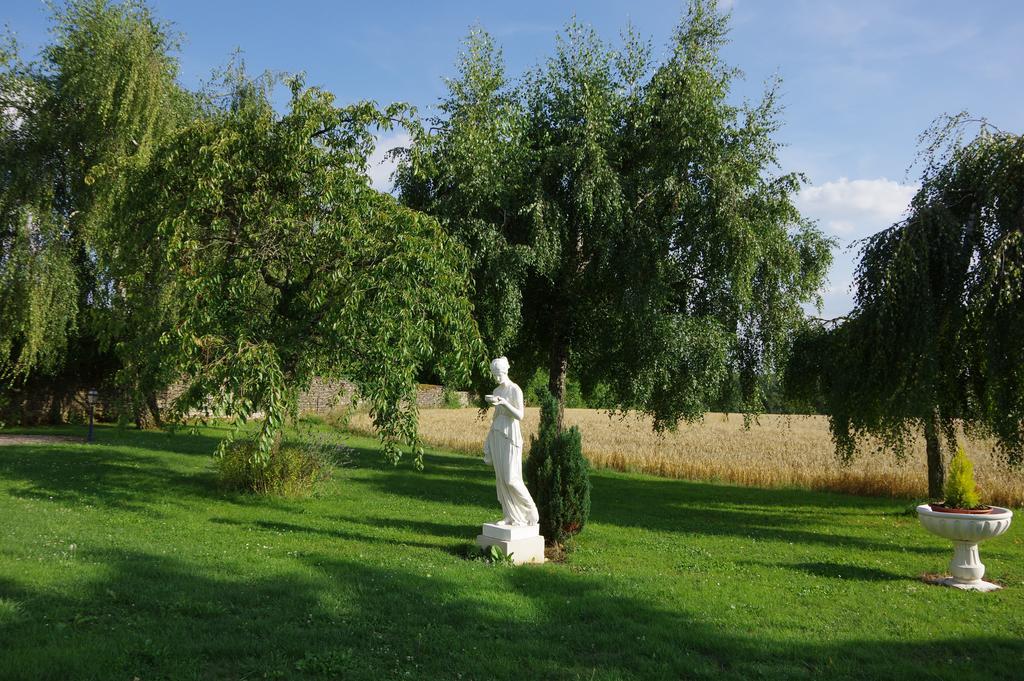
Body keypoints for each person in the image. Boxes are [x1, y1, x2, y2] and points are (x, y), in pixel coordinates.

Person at [483, 356, 539, 526]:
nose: (496, 377)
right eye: (494, 374)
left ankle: (531, 508)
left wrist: (505, 402)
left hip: (511, 435)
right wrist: (489, 438)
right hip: (498, 433)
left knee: (511, 478)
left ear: (506, 371)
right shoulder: (496, 391)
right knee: (501, 478)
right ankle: (510, 516)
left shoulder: (515, 390)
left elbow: (520, 415)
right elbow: (496, 415)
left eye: (498, 373)